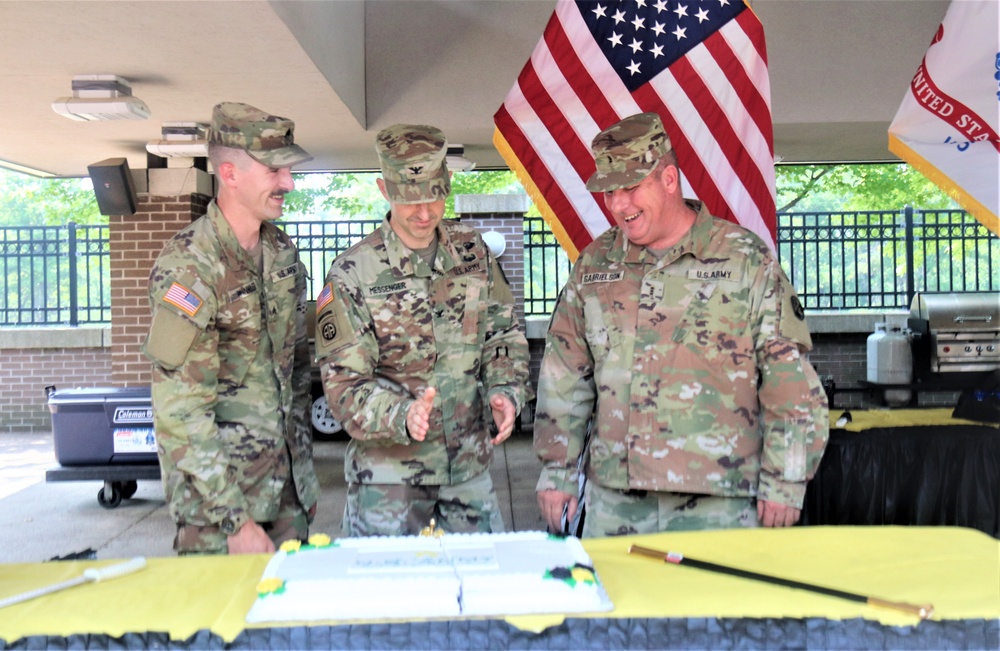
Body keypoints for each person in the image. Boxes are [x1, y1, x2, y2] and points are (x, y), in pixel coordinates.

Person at [534, 112, 829, 537]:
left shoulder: (743, 258)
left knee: (712, 606)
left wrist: (786, 478)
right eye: (609, 192)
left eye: (631, 187)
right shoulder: (595, 267)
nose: (619, 205)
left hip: (720, 500)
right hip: (616, 501)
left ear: (668, 179)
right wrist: (557, 472)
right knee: (614, 604)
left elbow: (788, 375)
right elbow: (565, 375)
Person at [315, 123, 531, 537]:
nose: (424, 211)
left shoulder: (473, 253)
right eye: (409, 198)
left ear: (446, 184)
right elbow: (343, 382)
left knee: (483, 593)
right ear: (383, 189)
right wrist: (402, 414)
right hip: (388, 481)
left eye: (433, 195)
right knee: (391, 597)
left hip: (468, 468)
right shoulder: (353, 272)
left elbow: (503, 334)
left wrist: (506, 390)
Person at [143, 102, 320, 554]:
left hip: (286, 497)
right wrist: (235, 520)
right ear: (230, 172)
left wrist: (303, 484)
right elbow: (179, 412)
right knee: (219, 624)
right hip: (219, 513)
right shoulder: (191, 266)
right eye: (275, 171)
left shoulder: (281, 253)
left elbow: (295, 376)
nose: (289, 183)